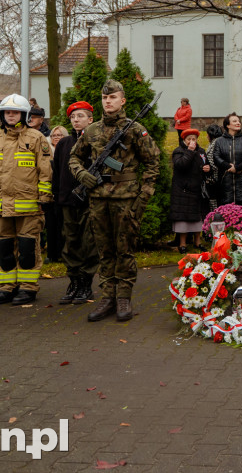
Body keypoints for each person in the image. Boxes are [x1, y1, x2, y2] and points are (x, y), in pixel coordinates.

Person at [69, 80, 160, 322]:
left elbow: (153, 162)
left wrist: (144, 196)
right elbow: (74, 158)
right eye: (104, 98)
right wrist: (82, 174)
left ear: (123, 100)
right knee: (104, 250)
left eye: (113, 97)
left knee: (125, 250)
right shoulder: (91, 131)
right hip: (98, 198)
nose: (108, 101)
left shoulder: (134, 129)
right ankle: (107, 297)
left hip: (126, 198)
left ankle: (123, 298)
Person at [0, 94, 54, 306]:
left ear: (24, 114)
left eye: (15, 112)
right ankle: (7, 288)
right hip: (1, 206)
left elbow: (45, 171)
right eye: (7, 112)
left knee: (28, 249)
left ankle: (28, 288)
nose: (11, 115)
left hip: (30, 206)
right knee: (4, 249)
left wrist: (45, 197)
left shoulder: (36, 138)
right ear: (2, 115)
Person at [53, 102, 97, 305]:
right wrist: (56, 198)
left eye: (80, 116)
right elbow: (57, 174)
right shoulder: (64, 144)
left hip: (89, 202)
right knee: (70, 243)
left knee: (88, 243)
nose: (76, 120)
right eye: (73, 117)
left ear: (90, 120)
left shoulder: (96, 143)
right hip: (67, 201)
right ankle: (74, 282)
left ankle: (86, 284)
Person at [171, 128, 210, 251]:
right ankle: (182, 244)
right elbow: (181, 165)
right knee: (183, 219)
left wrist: (208, 169)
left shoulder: (202, 152)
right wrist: (190, 151)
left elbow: (205, 165)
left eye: (194, 139)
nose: (191, 141)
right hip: (183, 190)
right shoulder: (178, 151)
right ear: (184, 140)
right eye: (189, 139)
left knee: (197, 218)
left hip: (197, 189)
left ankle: (197, 242)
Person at [212, 113, 242, 208]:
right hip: (225, 180)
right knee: (225, 209)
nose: (238, 123)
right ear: (228, 125)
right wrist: (228, 166)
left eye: (238, 121)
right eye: (234, 121)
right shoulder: (219, 141)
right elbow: (216, 157)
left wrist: (237, 168)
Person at [43, 126, 69, 262]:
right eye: (54, 135)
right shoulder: (45, 151)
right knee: (50, 225)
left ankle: (62, 253)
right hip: (48, 192)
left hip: (62, 192)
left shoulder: (68, 150)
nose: (56, 137)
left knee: (62, 225)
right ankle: (51, 254)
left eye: (60, 135)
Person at [204, 124, 224, 211]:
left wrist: (208, 168)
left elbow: (213, 161)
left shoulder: (215, 143)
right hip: (216, 179)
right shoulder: (218, 142)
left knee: (214, 206)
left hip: (215, 179)